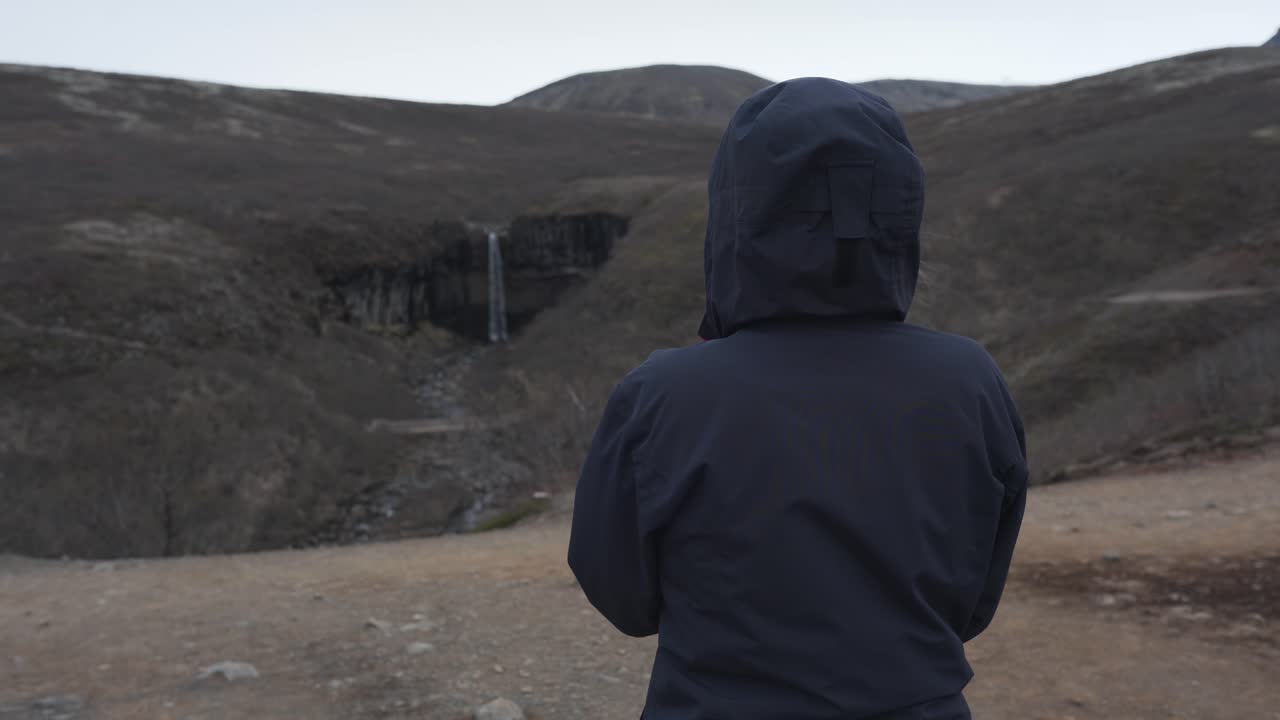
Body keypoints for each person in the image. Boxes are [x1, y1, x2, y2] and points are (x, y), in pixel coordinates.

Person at [568, 77, 1028, 720]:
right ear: (898, 212)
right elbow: (973, 602)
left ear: (734, 215)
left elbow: (623, 598)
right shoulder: (970, 379)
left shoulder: (665, 393)